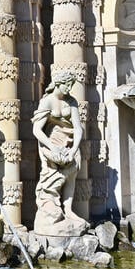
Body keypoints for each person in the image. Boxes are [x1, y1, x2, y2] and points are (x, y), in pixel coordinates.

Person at [32, 71, 88, 235]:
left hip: (70, 144)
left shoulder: (71, 102)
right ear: (58, 83)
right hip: (51, 144)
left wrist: (74, 149)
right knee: (52, 176)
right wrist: (52, 147)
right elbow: (37, 130)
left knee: (72, 175)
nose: (69, 88)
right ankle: (50, 208)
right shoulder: (47, 101)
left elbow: (78, 128)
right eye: (67, 84)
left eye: (72, 85)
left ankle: (68, 209)